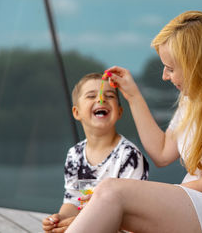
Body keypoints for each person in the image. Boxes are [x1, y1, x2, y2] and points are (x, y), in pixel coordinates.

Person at [66, 10, 202, 233]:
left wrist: (135, 201)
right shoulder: (193, 99)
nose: (165, 76)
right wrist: (133, 96)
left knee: (111, 192)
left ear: (196, 65)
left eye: (171, 68)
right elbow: (162, 152)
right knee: (108, 201)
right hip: (200, 209)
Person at [42, 73, 149, 233]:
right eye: (91, 95)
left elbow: (131, 215)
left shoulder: (129, 156)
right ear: (76, 112)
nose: (101, 99)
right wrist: (59, 220)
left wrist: (82, 222)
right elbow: (73, 201)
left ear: (119, 112)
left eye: (110, 95)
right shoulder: (74, 154)